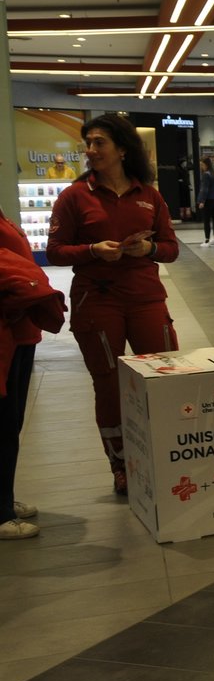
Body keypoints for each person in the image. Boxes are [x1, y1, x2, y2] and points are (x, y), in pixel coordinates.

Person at [47, 113, 181, 496]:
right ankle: (121, 464)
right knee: (108, 386)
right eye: (87, 142)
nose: (90, 150)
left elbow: (171, 249)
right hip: (97, 301)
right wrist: (91, 250)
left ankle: (165, 454)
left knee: (164, 377)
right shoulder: (74, 196)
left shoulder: (149, 195)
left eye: (99, 142)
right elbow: (54, 251)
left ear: (122, 149)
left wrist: (148, 248)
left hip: (146, 298)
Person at [1, 206, 65, 539]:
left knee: (11, 422)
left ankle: (5, 499)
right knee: (3, 424)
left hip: (20, 328)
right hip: (7, 328)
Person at [197, 156, 214, 246]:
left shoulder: (206, 174)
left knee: (206, 221)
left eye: (202, 165)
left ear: (206, 165)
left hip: (208, 200)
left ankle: (207, 240)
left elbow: (204, 189)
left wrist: (201, 201)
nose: (201, 167)